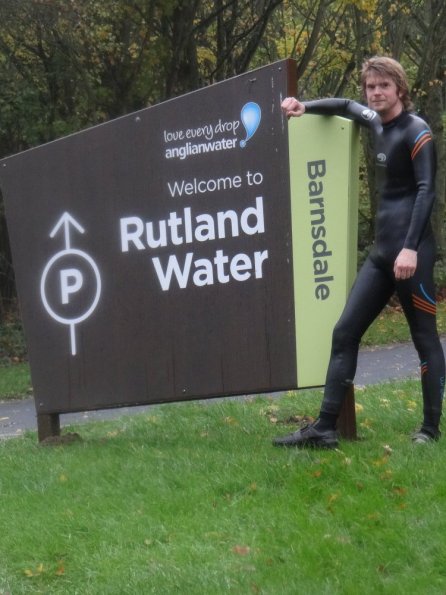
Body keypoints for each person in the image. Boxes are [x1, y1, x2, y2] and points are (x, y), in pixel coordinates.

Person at [274, 56, 445, 449]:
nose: (376, 93)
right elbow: (345, 107)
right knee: (345, 331)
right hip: (383, 255)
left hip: (410, 253)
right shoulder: (375, 120)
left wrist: (409, 250)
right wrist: (304, 106)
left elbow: (426, 191)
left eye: (384, 86)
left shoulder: (416, 131)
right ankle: (324, 427)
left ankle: (430, 430)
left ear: (399, 88)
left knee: (424, 339)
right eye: (371, 87)